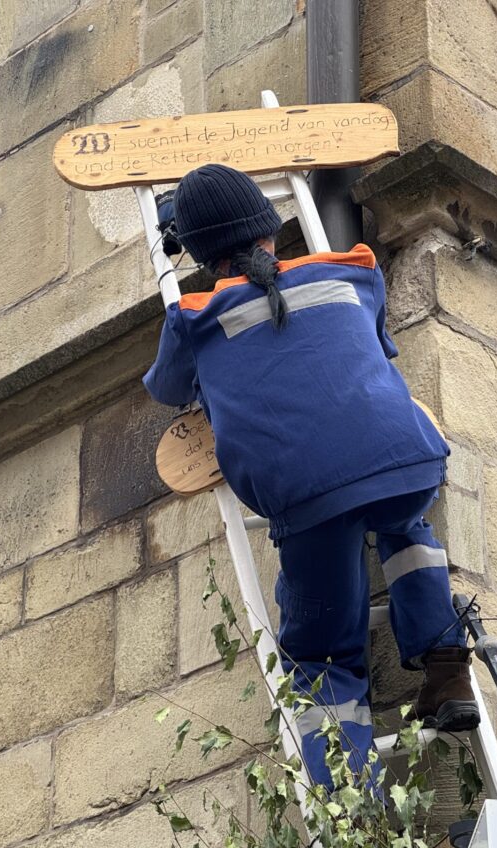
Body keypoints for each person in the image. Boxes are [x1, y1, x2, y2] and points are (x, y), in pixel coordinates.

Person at [143, 163, 478, 789]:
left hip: (308, 496)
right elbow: (374, 352)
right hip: (406, 459)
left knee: (322, 653)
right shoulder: (352, 270)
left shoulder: (193, 319)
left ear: (207, 256)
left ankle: (353, 807)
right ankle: (446, 668)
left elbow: (166, 388)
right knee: (405, 531)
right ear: (270, 231)